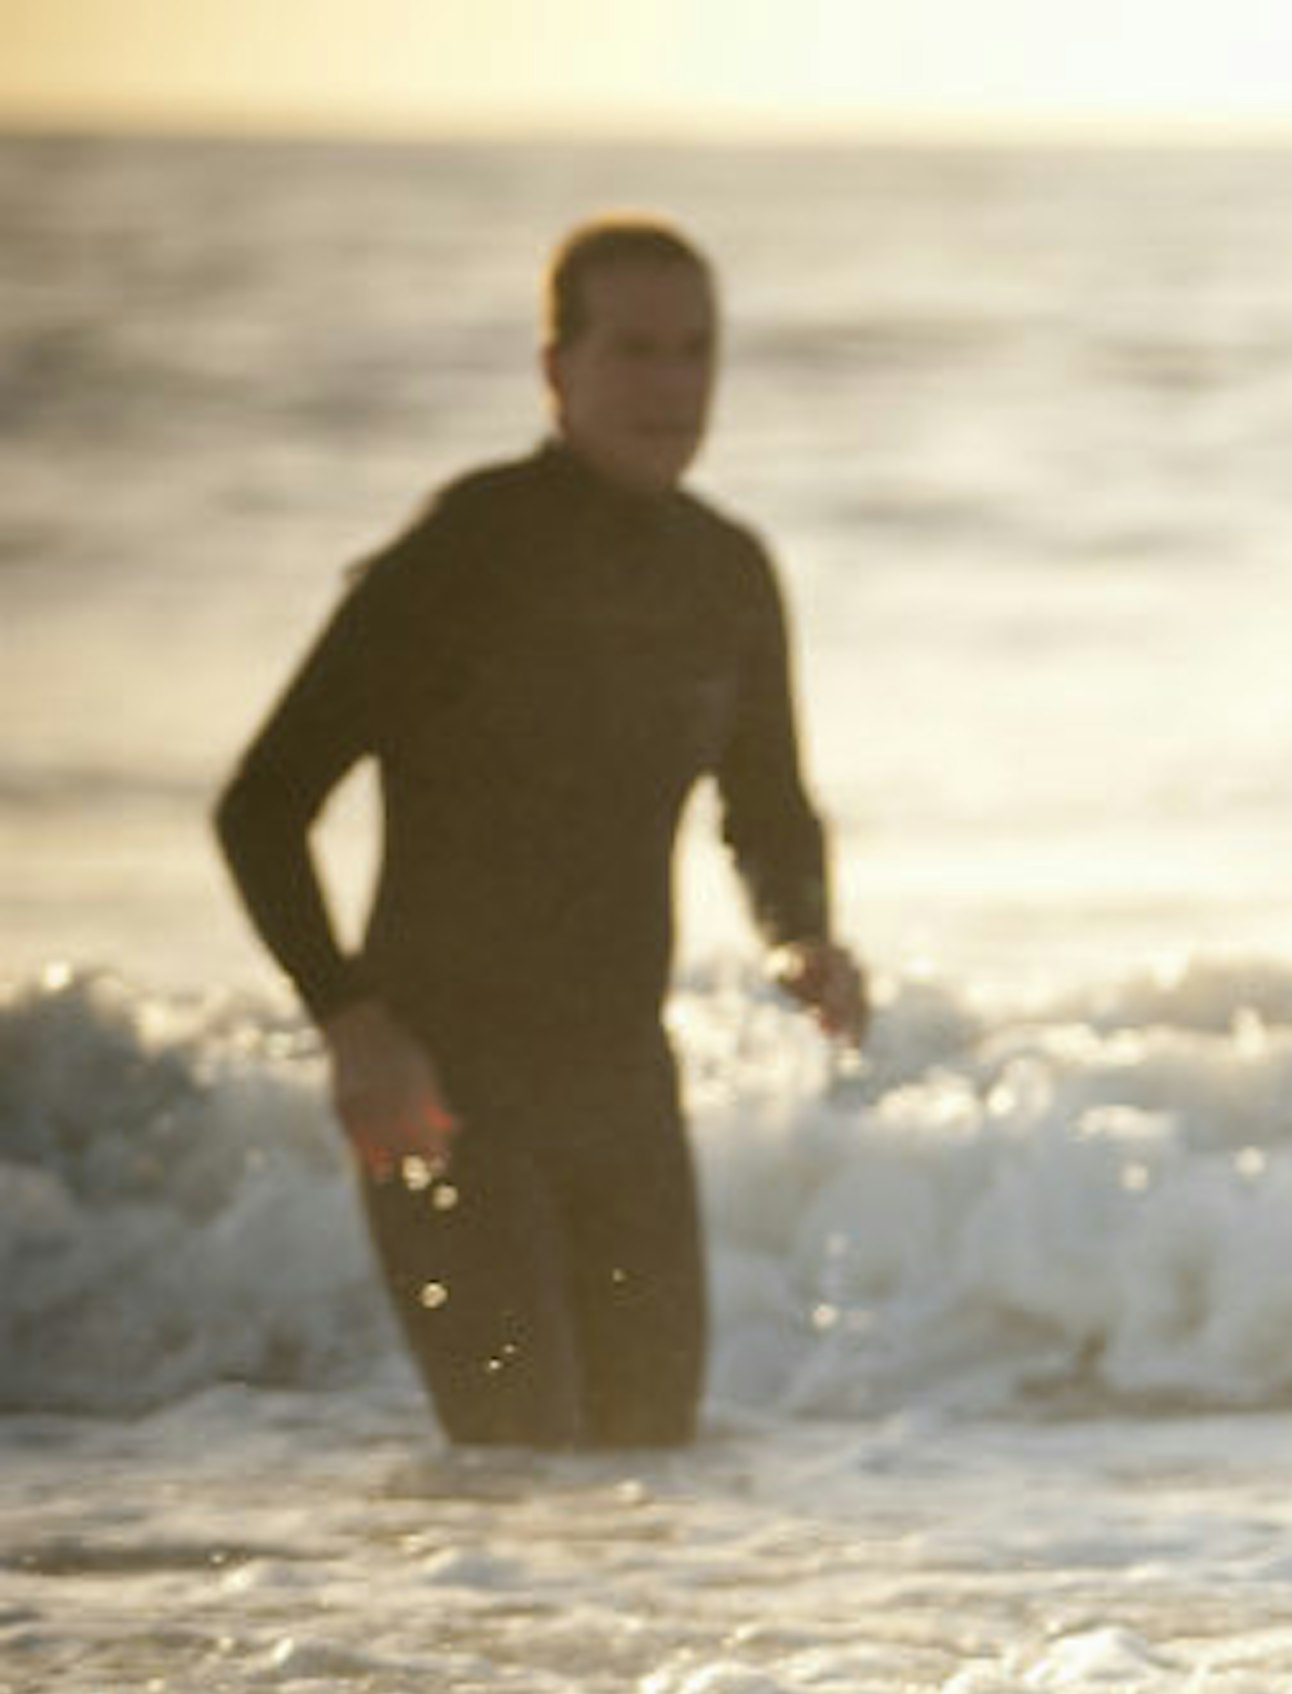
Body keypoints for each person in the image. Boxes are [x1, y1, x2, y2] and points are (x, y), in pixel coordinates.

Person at [215, 215, 866, 1450]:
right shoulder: (464, 553)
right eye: (635, 351)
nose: (671, 386)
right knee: (517, 1468)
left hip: (624, 1088)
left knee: (648, 1485)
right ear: (556, 368)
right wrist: (354, 1027)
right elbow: (260, 805)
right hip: (447, 1091)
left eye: (696, 352)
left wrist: (802, 937)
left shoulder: (727, 572)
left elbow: (769, 808)